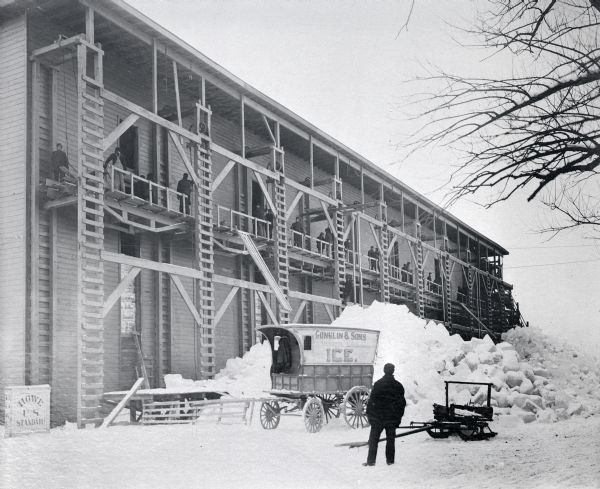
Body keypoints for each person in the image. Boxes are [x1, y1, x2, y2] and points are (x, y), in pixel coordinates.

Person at [364, 363, 406, 467]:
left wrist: (371, 418)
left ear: (384, 370)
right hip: (391, 419)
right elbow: (402, 405)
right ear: (393, 371)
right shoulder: (398, 386)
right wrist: (398, 419)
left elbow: (371, 403)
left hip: (378, 419)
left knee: (373, 441)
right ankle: (390, 461)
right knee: (391, 441)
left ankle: (371, 462)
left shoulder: (378, 384)